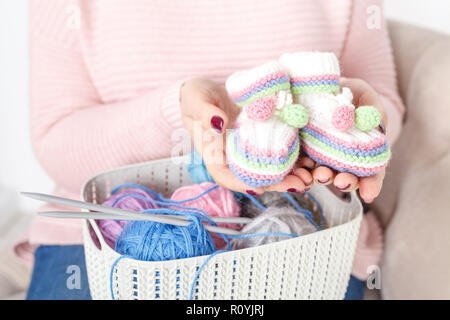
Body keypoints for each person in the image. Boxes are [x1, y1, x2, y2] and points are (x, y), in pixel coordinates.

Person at [23, 0, 403, 299]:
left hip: (304, 231)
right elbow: (57, 140)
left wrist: (349, 115)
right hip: (105, 236)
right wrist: (177, 112)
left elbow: (381, 102)